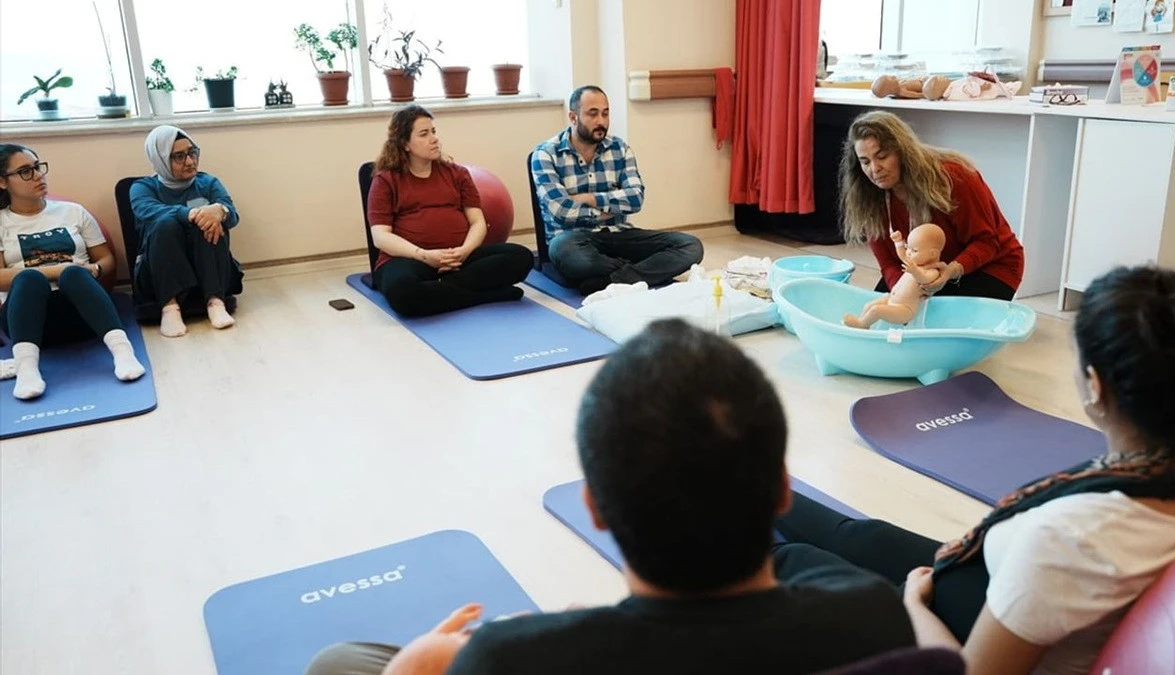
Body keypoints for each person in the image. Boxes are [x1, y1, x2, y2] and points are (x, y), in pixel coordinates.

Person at [305, 319, 917, 675]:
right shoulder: (874, 612)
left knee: (336, 661)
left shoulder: (504, 660)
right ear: (784, 490)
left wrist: (418, 662)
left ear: (594, 508)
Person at [776, 264, 1175, 675]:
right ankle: (746, 492)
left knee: (793, 557)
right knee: (862, 535)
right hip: (994, 578)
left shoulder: (1071, 539)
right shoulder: (1164, 474)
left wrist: (914, 610)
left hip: (950, 624)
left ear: (1095, 386)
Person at [0, 144, 145, 400]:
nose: (37, 175)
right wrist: (59, 268)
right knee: (29, 277)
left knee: (74, 275)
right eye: (25, 171)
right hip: (27, 321)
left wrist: (96, 269)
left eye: (38, 167)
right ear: (2, 182)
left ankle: (123, 353)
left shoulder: (73, 212)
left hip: (83, 315)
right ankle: (26, 369)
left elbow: (106, 258)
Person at [531, 85, 703, 295]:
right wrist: (609, 210)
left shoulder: (620, 149)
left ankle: (614, 278)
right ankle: (639, 271)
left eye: (605, 113)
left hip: (621, 235)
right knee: (566, 252)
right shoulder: (545, 154)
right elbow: (562, 211)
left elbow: (636, 198)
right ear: (573, 117)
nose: (601, 121)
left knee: (691, 246)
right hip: (574, 240)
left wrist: (590, 198)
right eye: (592, 114)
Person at [368, 105, 534, 317]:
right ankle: (485, 296)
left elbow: (478, 222)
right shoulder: (386, 179)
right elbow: (381, 236)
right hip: (411, 259)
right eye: (424, 134)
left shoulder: (457, 173)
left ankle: (440, 289)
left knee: (521, 257)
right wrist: (425, 256)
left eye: (434, 132)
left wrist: (464, 251)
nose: (434, 139)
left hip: (459, 258)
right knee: (403, 293)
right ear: (404, 143)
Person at [840, 110, 1025, 301]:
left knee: (933, 320)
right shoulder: (868, 195)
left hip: (990, 267)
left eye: (882, 156)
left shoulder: (954, 176)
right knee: (881, 315)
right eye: (865, 162)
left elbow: (987, 242)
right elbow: (888, 264)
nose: (874, 169)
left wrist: (950, 271)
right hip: (923, 272)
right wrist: (903, 292)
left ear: (903, 151)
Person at [130, 125, 243, 338]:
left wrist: (220, 210)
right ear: (160, 159)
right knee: (166, 223)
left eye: (192, 152)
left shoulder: (208, 182)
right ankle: (169, 307)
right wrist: (190, 214)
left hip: (209, 266)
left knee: (211, 222)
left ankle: (215, 301)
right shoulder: (142, 188)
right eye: (179, 156)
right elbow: (146, 210)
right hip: (158, 271)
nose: (190, 161)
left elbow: (233, 215)